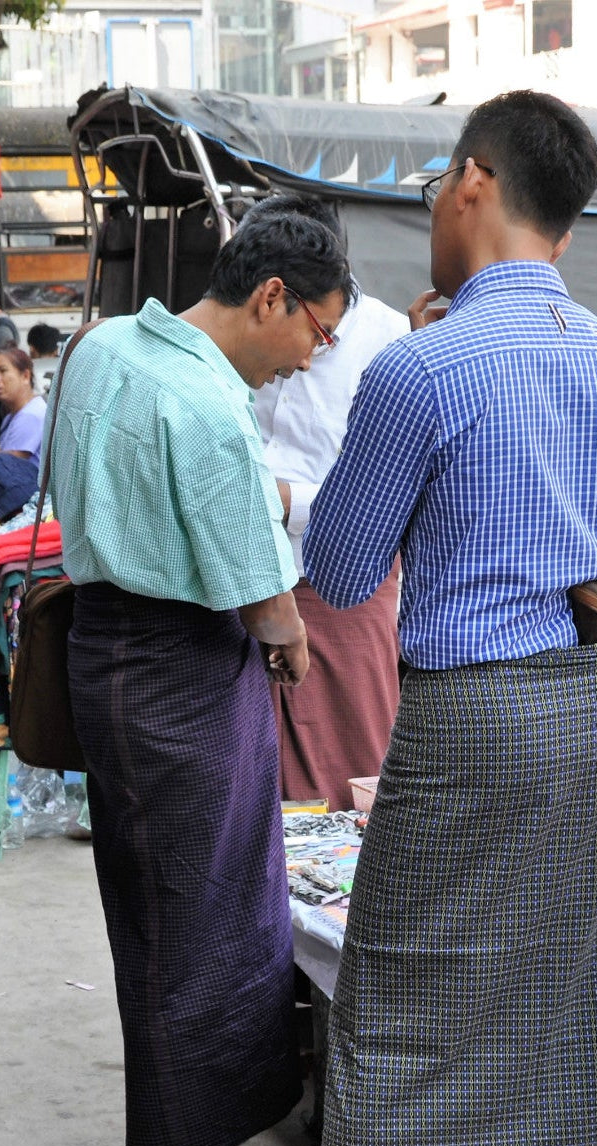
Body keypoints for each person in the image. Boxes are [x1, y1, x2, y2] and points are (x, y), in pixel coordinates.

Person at [191, 91, 597, 1146]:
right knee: (554, 1019)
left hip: (482, 710)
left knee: (394, 1008)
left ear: (469, 182)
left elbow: (338, 569)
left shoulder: (418, 367)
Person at [48, 211, 352, 1146]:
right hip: (179, 661)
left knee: (164, 904)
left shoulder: (107, 349)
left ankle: (185, 1135)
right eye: (316, 329)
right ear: (272, 296)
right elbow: (255, 575)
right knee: (202, 913)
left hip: (112, 650)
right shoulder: (204, 401)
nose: (311, 357)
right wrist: (290, 640)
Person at [249, 193, 408, 809]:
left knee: (351, 767)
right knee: (255, 776)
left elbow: (392, 490)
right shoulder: (243, 328)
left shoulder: (392, 342)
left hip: (342, 588)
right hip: (250, 577)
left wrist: (286, 501)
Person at [0, 346, 47, 460]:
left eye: (3, 371)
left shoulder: (31, 414)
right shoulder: (11, 416)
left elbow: (12, 463)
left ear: (25, 376)